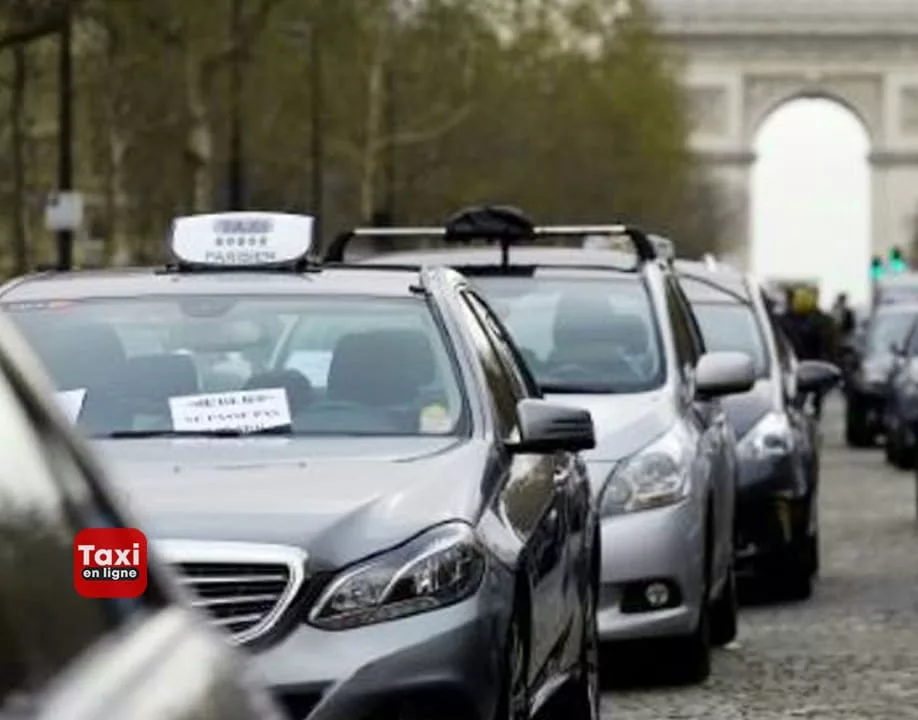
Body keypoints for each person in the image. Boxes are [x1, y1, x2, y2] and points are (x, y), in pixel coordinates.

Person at [780, 287, 836, 419]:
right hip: (793, 370)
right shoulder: (785, 321)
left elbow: (828, 347)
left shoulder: (820, 322)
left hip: (811, 371)